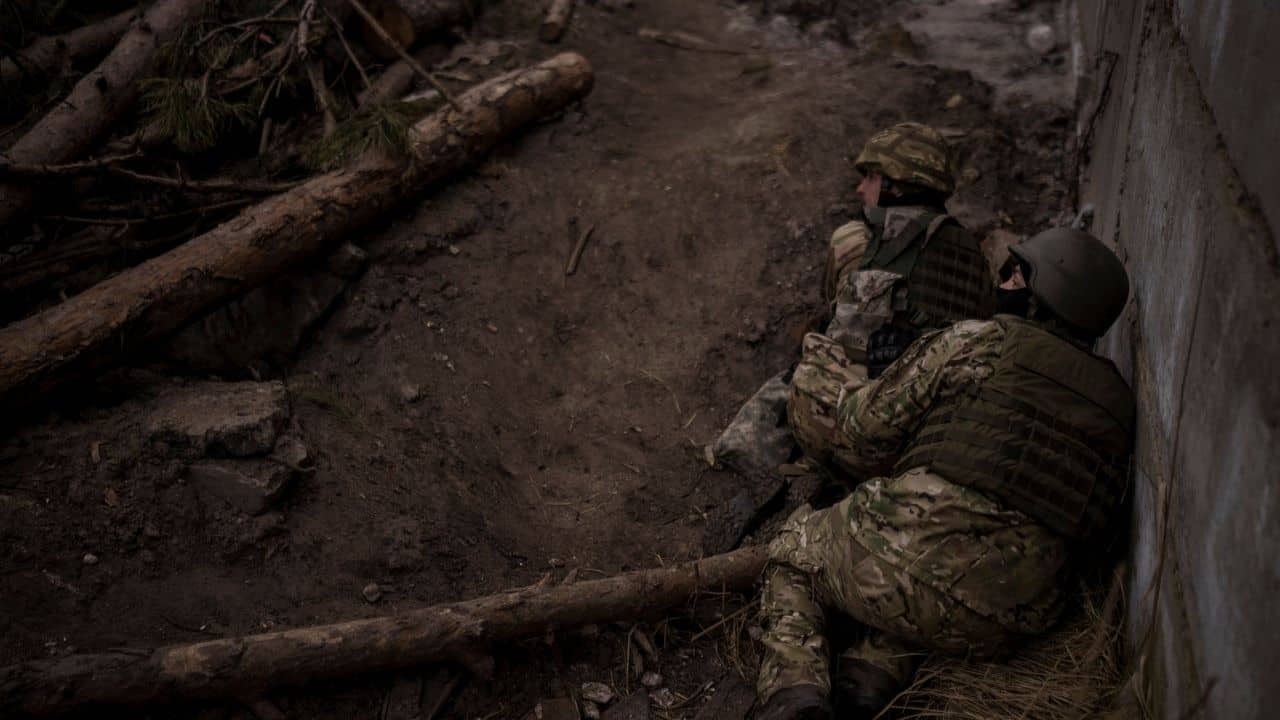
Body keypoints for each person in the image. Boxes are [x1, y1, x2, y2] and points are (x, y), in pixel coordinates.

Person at [751, 227, 1135, 719]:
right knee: (942, 583)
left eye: (1016, 276)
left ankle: (794, 690)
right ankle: (871, 674)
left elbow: (863, 427)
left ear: (1042, 298)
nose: (1005, 283)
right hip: (1013, 619)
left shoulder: (979, 342)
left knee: (794, 552)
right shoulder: (1117, 405)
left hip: (907, 565)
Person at [710, 122, 993, 486]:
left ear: (897, 184)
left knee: (810, 363)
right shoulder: (972, 254)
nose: (861, 188)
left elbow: (841, 347)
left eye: (872, 177)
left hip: (882, 438)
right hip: (945, 439)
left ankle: (759, 459)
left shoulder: (870, 244)